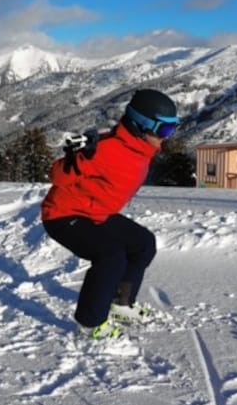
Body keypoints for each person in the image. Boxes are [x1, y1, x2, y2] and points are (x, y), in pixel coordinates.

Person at [41, 89, 180, 339]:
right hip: (63, 215)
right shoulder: (105, 149)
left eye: (171, 130)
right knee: (110, 256)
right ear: (141, 126)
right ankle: (90, 323)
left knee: (142, 243)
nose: (166, 138)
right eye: (163, 130)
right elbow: (57, 176)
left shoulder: (139, 150)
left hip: (96, 212)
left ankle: (120, 305)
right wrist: (76, 158)